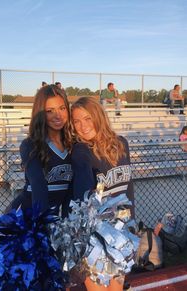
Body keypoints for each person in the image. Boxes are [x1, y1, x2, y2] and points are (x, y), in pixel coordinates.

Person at [71, 97, 135, 291]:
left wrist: (130, 228)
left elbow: (128, 190)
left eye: (87, 118)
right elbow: (81, 197)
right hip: (96, 238)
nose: (82, 126)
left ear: (98, 117)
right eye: (76, 121)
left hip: (121, 233)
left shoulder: (121, 144)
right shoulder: (81, 151)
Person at [10, 84, 73, 216]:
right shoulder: (30, 145)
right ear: (40, 114)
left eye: (62, 108)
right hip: (25, 218)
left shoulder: (73, 144)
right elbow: (39, 187)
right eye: (50, 111)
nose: (58, 116)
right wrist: (43, 226)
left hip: (52, 218)